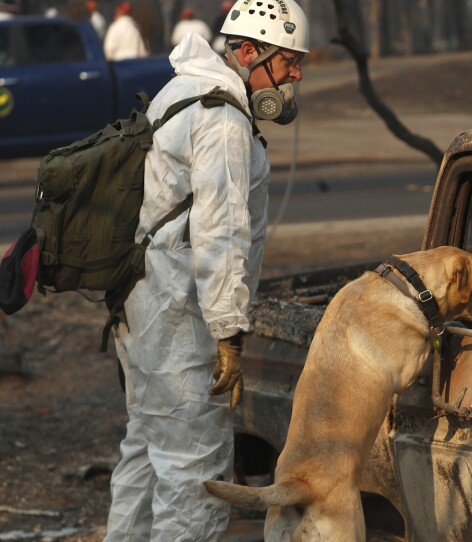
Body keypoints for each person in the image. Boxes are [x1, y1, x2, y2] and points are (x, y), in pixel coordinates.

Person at [103, 0, 307, 539]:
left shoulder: (185, 89)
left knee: (147, 451)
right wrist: (228, 334)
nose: (296, 74)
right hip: (177, 317)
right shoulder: (222, 120)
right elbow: (220, 236)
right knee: (195, 471)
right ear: (248, 51)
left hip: (142, 304)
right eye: (288, 61)